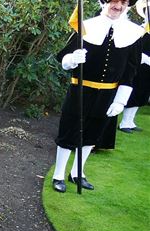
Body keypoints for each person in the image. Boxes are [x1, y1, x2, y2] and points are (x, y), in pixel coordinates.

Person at [52, 0, 144, 193]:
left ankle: (77, 173)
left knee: (92, 134)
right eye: (114, 1)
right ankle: (58, 175)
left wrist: (120, 100)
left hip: (109, 94)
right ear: (105, 2)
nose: (118, 6)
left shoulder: (134, 34)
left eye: (123, 2)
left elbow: (131, 71)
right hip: (80, 90)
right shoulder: (87, 26)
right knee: (69, 132)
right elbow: (64, 57)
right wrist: (72, 60)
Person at [118, 0, 150, 133]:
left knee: (142, 94)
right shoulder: (142, 31)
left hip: (147, 70)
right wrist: (145, 58)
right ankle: (124, 123)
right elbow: (135, 50)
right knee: (135, 93)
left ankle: (130, 121)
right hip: (139, 67)